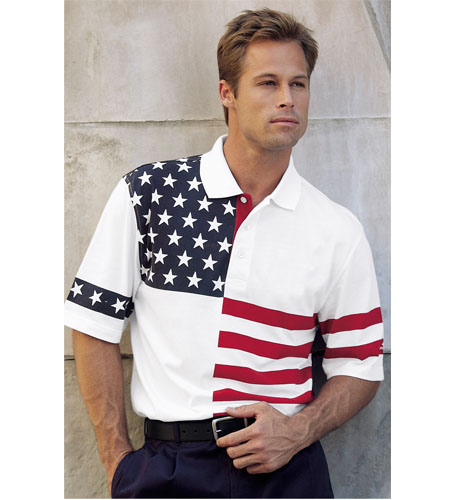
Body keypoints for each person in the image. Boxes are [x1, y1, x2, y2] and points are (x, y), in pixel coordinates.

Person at [65, 8, 384, 499]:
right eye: (268, 83)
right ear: (227, 93)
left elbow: (359, 365)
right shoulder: (150, 193)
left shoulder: (336, 229)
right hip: (168, 471)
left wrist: (298, 432)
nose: (287, 98)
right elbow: (93, 326)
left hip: (287, 472)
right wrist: (118, 465)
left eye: (298, 84)